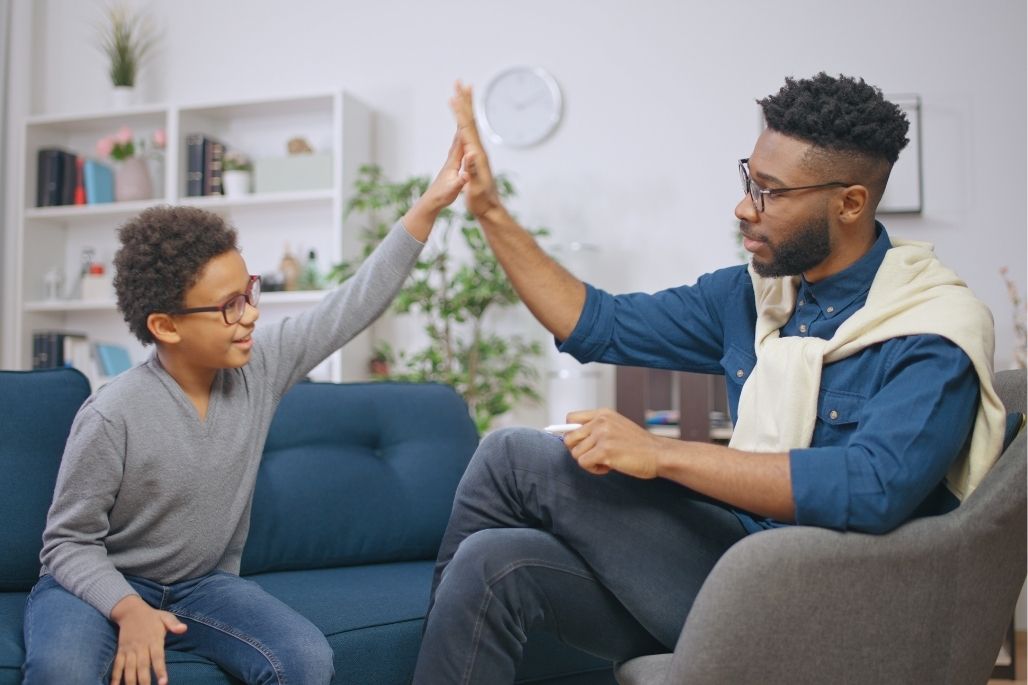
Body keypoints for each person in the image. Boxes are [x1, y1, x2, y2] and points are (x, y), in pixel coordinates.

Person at [411, 73, 1007, 684]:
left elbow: (873, 487)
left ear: (849, 203)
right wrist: (487, 211)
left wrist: (661, 456)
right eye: (750, 178)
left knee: (514, 456)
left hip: (824, 599)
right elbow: (597, 322)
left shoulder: (931, 331)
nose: (745, 206)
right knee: (493, 561)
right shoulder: (754, 298)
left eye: (771, 192)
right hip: (726, 560)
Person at [22, 134, 466, 685]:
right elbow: (66, 544)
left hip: (201, 586)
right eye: (230, 305)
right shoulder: (113, 413)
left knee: (305, 659)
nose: (251, 314)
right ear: (166, 326)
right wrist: (127, 608)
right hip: (94, 585)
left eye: (249, 291)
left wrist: (429, 205)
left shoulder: (261, 367)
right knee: (61, 670)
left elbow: (350, 305)